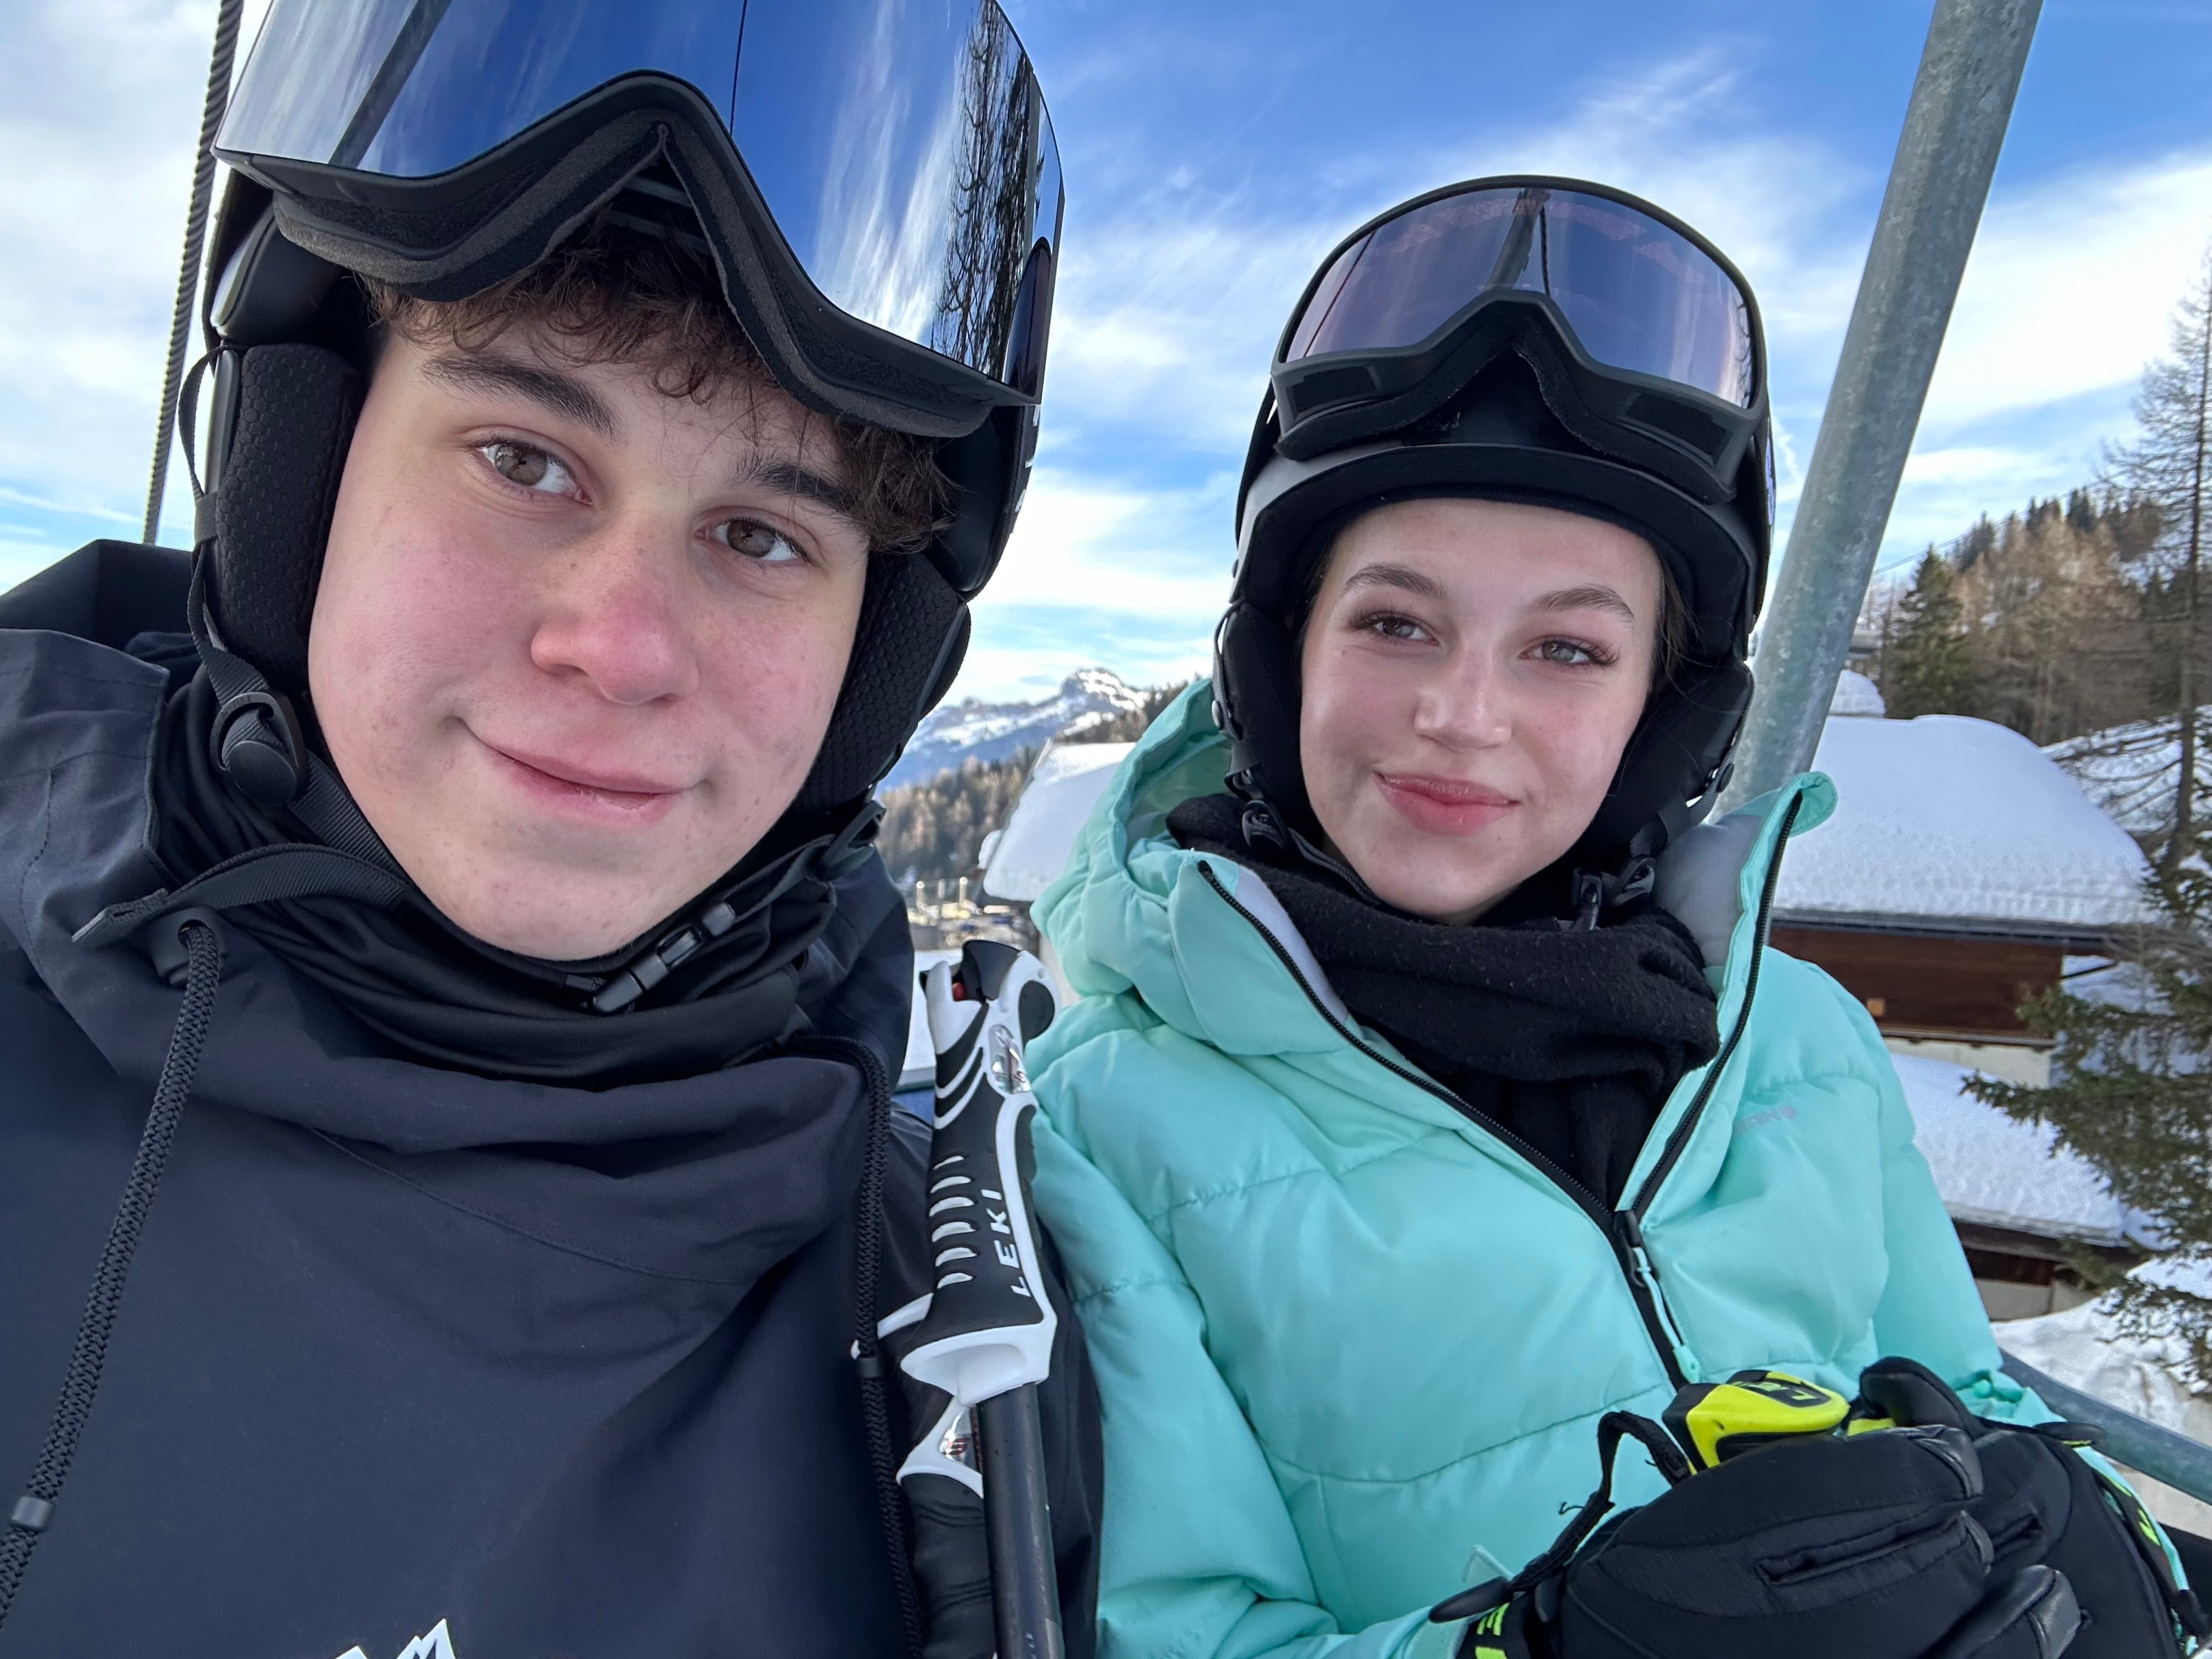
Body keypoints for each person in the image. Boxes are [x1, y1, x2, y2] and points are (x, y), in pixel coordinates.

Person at [0, 6, 1097, 1656]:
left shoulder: (949, 1329)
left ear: (877, 659)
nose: (622, 646)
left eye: (760, 536)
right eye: (524, 460)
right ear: (301, 468)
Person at [1024, 178, 2202, 1657]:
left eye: (1569, 649)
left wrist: (2093, 1537)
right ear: (1282, 657)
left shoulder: (1800, 1036)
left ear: (1662, 708)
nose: (1464, 716)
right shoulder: (1097, 1127)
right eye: (1395, 622)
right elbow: (1166, 1635)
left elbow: (1973, 1400)